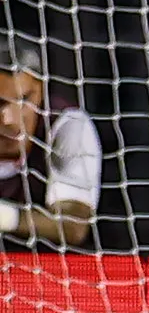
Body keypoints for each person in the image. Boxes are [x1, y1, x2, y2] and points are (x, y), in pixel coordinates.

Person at [0, 38, 102, 249]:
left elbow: (72, 226)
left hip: (52, 275)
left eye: (24, 100)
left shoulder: (67, 125)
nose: (8, 119)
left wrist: (5, 217)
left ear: (40, 91)